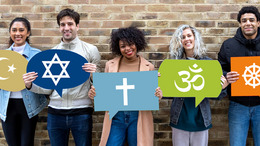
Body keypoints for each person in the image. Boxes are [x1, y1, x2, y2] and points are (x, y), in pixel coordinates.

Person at [23, 8, 101, 146]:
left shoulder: (90, 50)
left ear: (77, 26)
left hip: (82, 112)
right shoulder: (52, 53)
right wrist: (30, 85)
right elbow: (48, 89)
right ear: (59, 27)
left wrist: (95, 75)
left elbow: (100, 86)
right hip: (55, 113)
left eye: (70, 24)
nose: (66, 28)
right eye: (62, 24)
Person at [88, 27, 162, 146]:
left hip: (138, 116)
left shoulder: (148, 67)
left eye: (130, 44)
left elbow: (151, 96)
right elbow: (105, 94)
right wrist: (95, 94)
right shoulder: (110, 65)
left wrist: (158, 95)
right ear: (118, 48)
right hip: (116, 116)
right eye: (123, 46)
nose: (127, 49)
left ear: (137, 43)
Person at [168, 24, 228, 146]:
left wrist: (222, 87)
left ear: (195, 38)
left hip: (201, 118)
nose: (186, 39)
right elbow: (166, 93)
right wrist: (162, 83)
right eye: (183, 37)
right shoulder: (173, 65)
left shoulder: (208, 64)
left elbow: (216, 95)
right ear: (179, 41)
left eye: (189, 35)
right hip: (180, 118)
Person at [0, 17, 48, 146]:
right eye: (14, 30)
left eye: (21, 30)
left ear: (28, 33)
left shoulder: (36, 55)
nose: (18, 33)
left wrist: (30, 83)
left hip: (29, 105)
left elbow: (44, 83)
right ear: (10, 32)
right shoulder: (2, 56)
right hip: (7, 106)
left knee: (26, 143)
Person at [218, 6, 260, 146]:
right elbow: (219, 70)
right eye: (244, 20)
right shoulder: (228, 45)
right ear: (240, 24)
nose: (248, 23)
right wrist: (226, 76)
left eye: (251, 20)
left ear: (258, 23)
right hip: (238, 105)